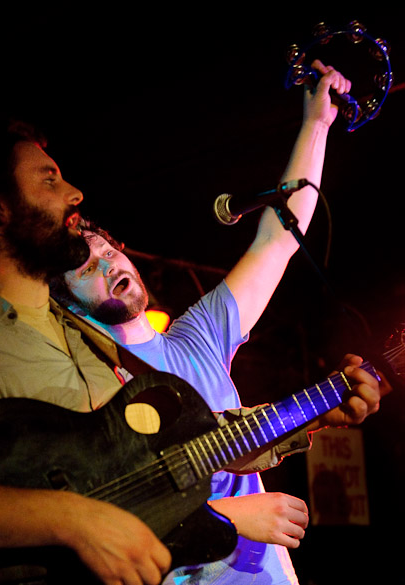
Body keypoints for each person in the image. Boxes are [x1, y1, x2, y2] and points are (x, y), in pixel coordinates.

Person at [57, 60, 382, 585]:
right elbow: (95, 514)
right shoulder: (78, 379)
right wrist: (231, 517)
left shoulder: (198, 335)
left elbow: (278, 239)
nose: (109, 264)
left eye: (107, 250)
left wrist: (316, 125)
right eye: (86, 268)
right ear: (64, 300)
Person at [0, 121, 172, 585]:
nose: (75, 193)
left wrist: (316, 407)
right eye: (49, 179)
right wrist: (73, 519)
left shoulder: (87, 337)